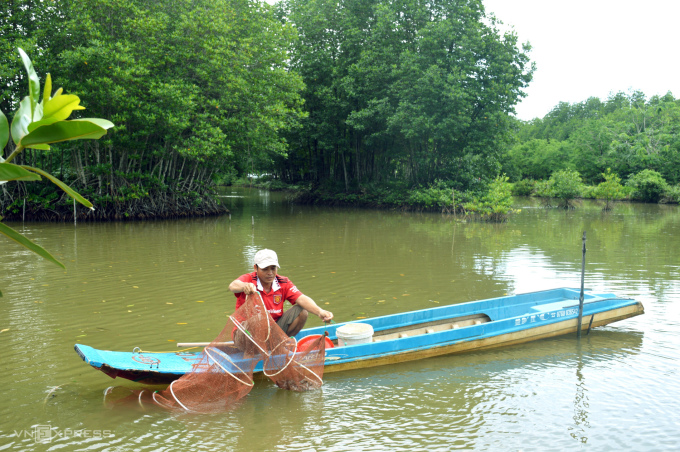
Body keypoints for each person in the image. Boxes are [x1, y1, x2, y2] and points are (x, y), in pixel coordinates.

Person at [228, 249, 333, 342]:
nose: (270, 273)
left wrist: (320, 311)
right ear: (256, 268)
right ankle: (253, 353)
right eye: (265, 269)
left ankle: (278, 344)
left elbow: (301, 298)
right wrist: (245, 286)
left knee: (302, 311)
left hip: (272, 331)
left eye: (273, 268)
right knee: (255, 321)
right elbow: (233, 285)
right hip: (245, 334)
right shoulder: (249, 279)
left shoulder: (283, 282)